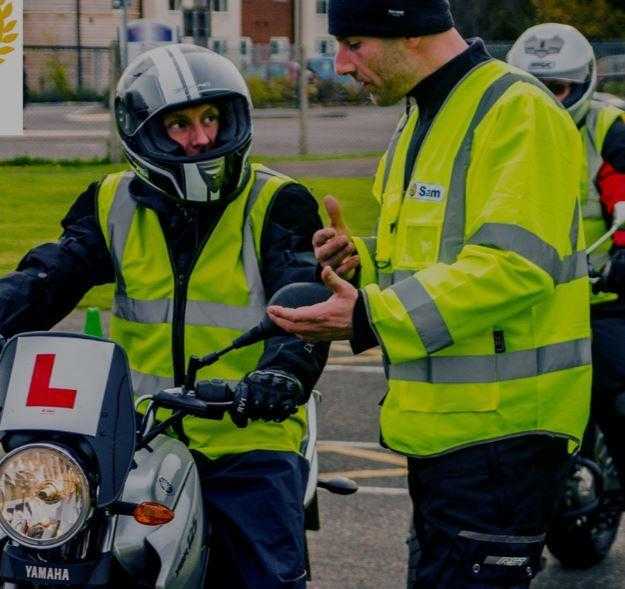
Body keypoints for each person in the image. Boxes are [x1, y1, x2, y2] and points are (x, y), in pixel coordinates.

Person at [267, 1, 591, 587]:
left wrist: (369, 313)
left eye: (354, 43)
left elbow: (514, 267)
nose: (340, 64)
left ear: (410, 34)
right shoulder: (422, 115)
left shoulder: (516, 109)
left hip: (501, 438)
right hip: (447, 436)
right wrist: (360, 263)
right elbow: (437, 260)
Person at [0, 44, 328, 588]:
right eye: (179, 124)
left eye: (210, 119)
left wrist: (281, 375)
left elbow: (304, 298)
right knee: (47, 545)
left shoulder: (277, 203)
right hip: (136, 440)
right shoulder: (112, 202)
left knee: (266, 576)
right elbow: (47, 279)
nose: (201, 138)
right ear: (143, 133)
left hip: (245, 437)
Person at [508, 23, 625, 489]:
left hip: (601, 298)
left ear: (582, 83)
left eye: (556, 89)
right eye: (535, 88)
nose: (547, 101)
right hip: (525, 301)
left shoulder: (608, 128)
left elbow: (620, 192)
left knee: (620, 395)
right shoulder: (503, 130)